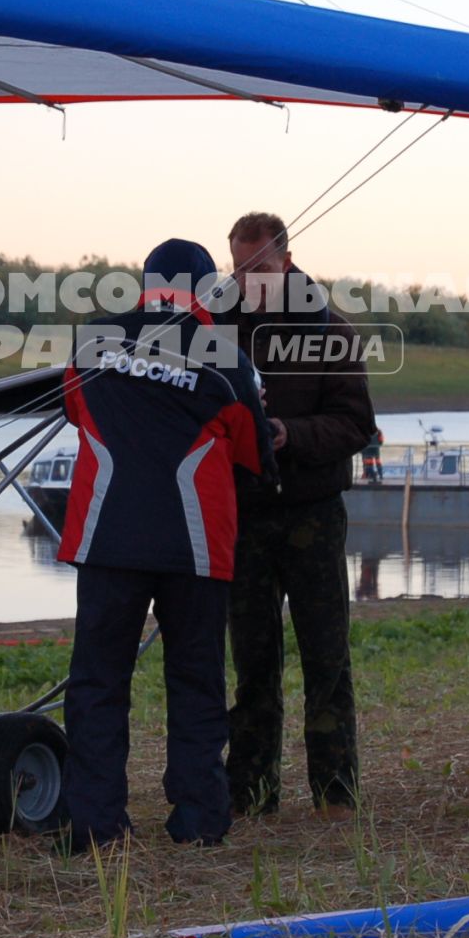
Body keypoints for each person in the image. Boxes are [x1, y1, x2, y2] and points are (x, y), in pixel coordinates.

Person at [55, 239, 271, 852]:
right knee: (196, 679)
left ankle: (94, 825)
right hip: (195, 544)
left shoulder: (92, 340)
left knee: (97, 682)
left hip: (106, 538)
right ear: (206, 290)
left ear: (144, 283)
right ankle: (200, 819)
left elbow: (76, 410)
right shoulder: (225, 359)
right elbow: (255, 454)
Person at [221, 212, 376, 817]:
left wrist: (290, 434)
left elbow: (357, 424)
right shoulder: (219, 331)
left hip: (312, 513)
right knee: (252, 661)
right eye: (237, 269)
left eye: (257, 268)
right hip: (247, 516)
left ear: (285, 262)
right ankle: (250, 793)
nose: (247, 280)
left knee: (326, 657)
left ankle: (335, 794)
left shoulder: (331, 328)